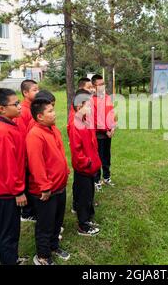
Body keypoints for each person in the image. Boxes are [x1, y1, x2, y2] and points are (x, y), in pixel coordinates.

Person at [26, 97, 70, 265]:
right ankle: (43, 256)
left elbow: (59, 153)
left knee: (57, 221)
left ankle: (53, 246)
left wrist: (65, 171)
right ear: (39, 117)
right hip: (46, 191)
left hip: (59, 186)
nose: (54, 113)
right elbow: (36, 164)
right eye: (50, 111)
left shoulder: (53, 130)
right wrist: (44, 187)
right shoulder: (35, 135)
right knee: (45, 224)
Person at [0, 88, 27, 265]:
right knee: (8, 231)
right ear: (2, 109)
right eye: (16, 104)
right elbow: (8, 165)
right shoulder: (4, 132)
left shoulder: (12, 124)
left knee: (13, 229)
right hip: (6, 192)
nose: (20, 106)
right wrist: (18, 191)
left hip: (9, 189)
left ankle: (12, 258)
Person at [67, 89, 102, 236]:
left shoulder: (86, 120)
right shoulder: (76, 124)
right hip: (84, 168)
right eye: (88, 105)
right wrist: (86, 162)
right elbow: (76, 150)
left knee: (89, 195)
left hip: (91, 167)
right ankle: (83, 225)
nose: (91, 108)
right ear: (79, 106)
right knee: (83, 196)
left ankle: (88, 218)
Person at [19, 80, 39, 222]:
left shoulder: (33, 107)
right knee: (27, 181)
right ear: (26, 93)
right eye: (34, 90)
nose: (37, 92)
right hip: (27, 152)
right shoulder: (23, 111)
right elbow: (22, 135)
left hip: (33, 150)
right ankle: (27, 212)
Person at [91, 74, 116, 189]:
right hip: (99, 135)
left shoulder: (107, 97)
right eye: (100, 84)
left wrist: (113, 127)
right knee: (98, 158)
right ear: (94, 86)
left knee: (107, 156)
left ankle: (106, 177)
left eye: (103, 84)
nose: (102, 86)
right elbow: (96, 118)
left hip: (108, 134)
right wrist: (106, 130)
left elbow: (111, 114)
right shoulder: (92, 100)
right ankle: (96, 180)